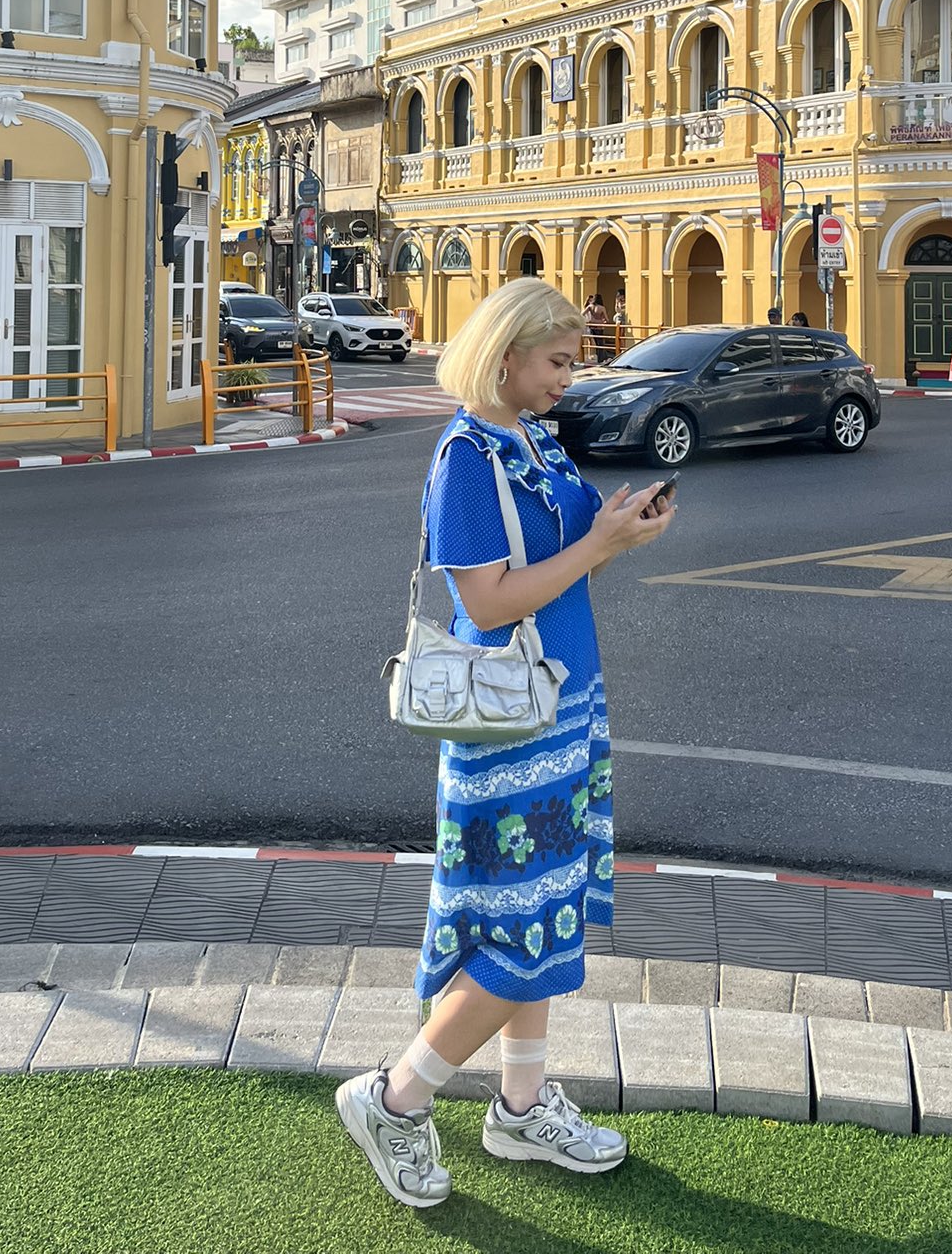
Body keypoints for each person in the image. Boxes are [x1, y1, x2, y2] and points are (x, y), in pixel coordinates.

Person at [335, 279, 675, 1209]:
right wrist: (602, 547)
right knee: (515, 929)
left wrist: (619, 533)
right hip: (507, 723)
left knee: (548, 909)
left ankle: (520, 1108)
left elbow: (553, 565)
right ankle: (394, 1099)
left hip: (562, 704)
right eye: (558, 361)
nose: (571, 378)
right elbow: (484, 602)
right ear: (506, 355)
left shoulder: (533, 441)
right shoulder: (467, 457)